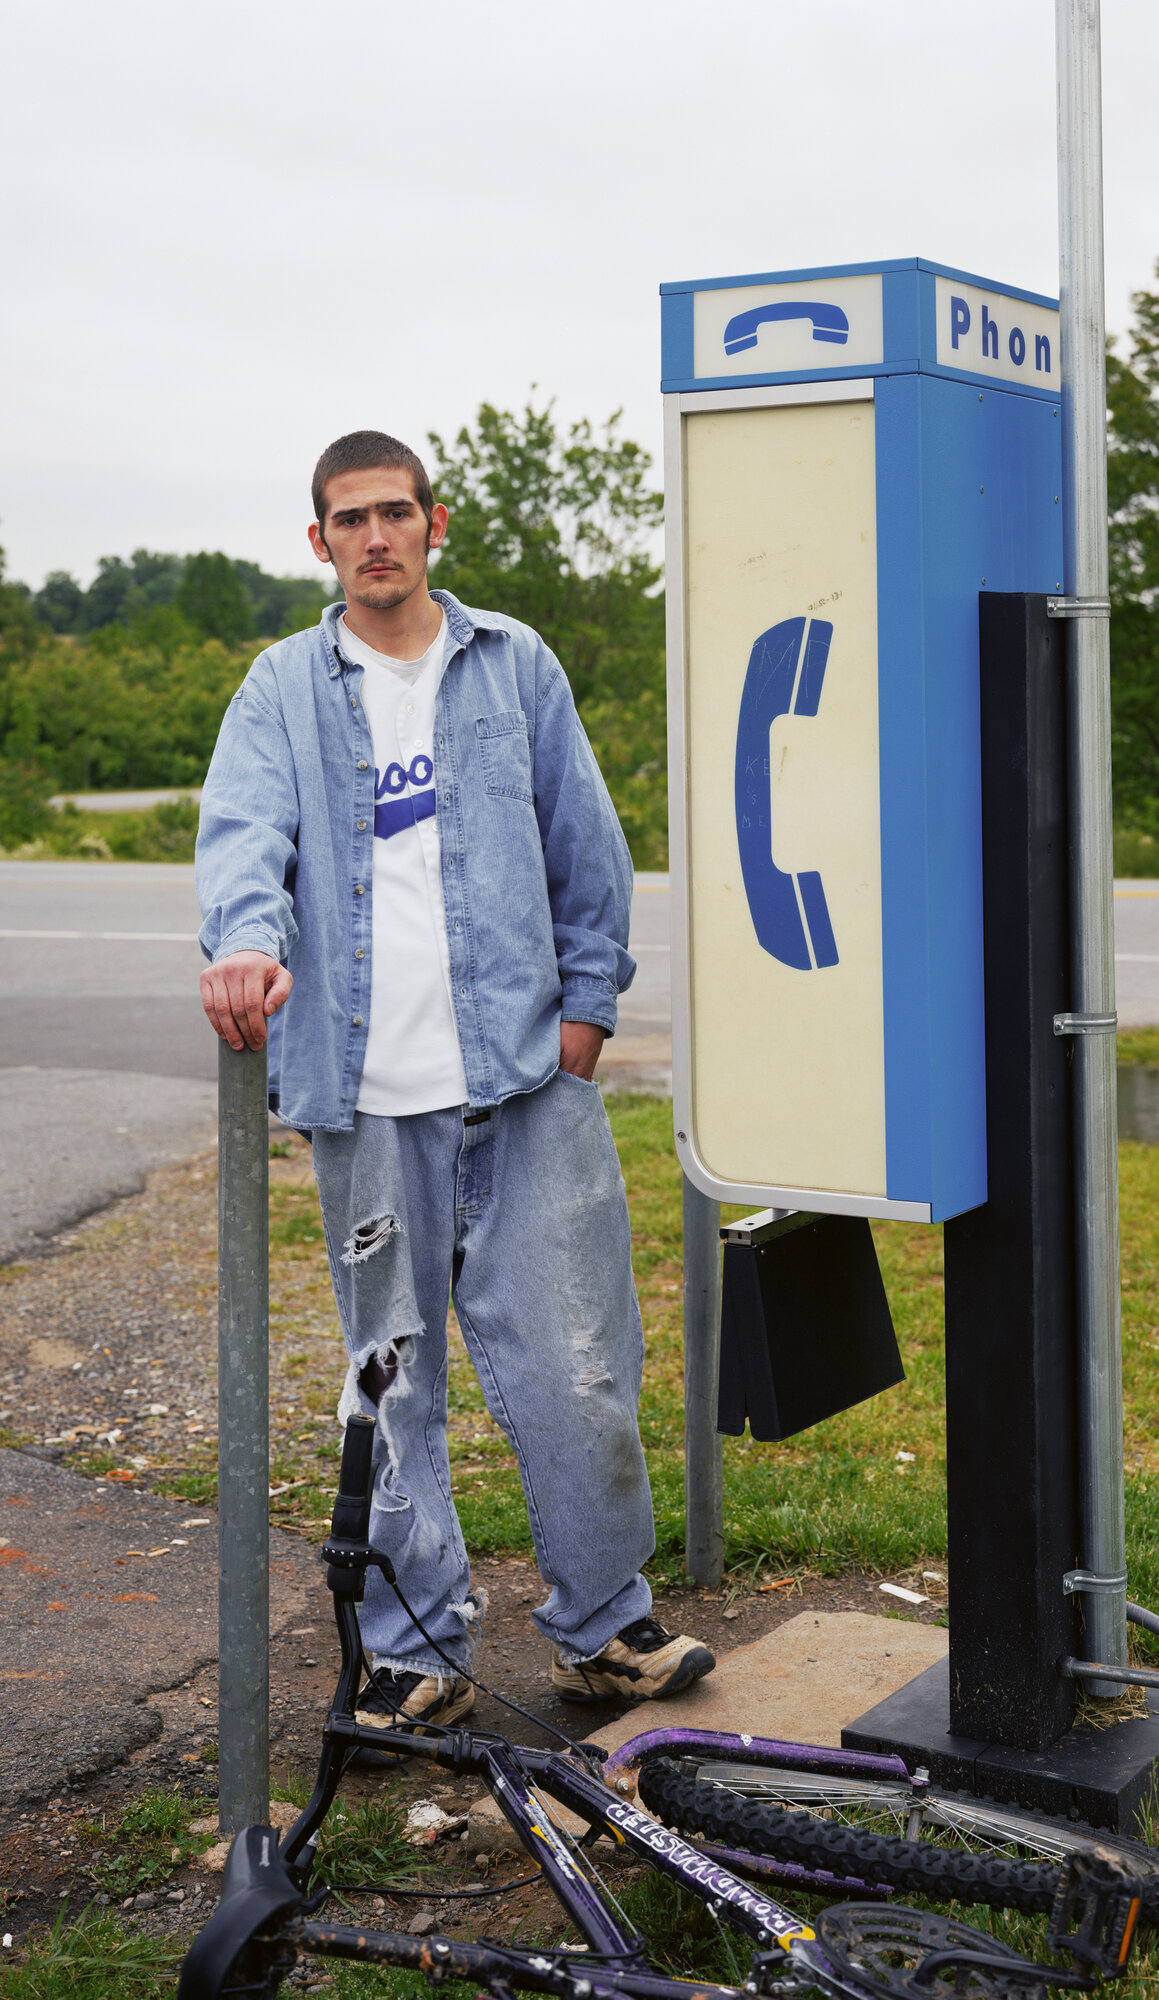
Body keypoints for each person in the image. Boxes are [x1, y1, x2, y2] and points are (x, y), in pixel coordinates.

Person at [195, 430, 713, 1751]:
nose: (375, 537)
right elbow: (245, 834)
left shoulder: (513, 665)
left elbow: (584, 840)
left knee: (581, 1370)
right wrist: (245, 942)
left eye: (394, 513)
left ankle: (605, 1627)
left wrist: (587, 1013)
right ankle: (414, 1651)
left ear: (434, 524)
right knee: (392, 1384)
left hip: (527, 1090)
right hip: (368, 1112)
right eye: (347, 519)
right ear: (319, 543)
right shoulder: (280, 692)